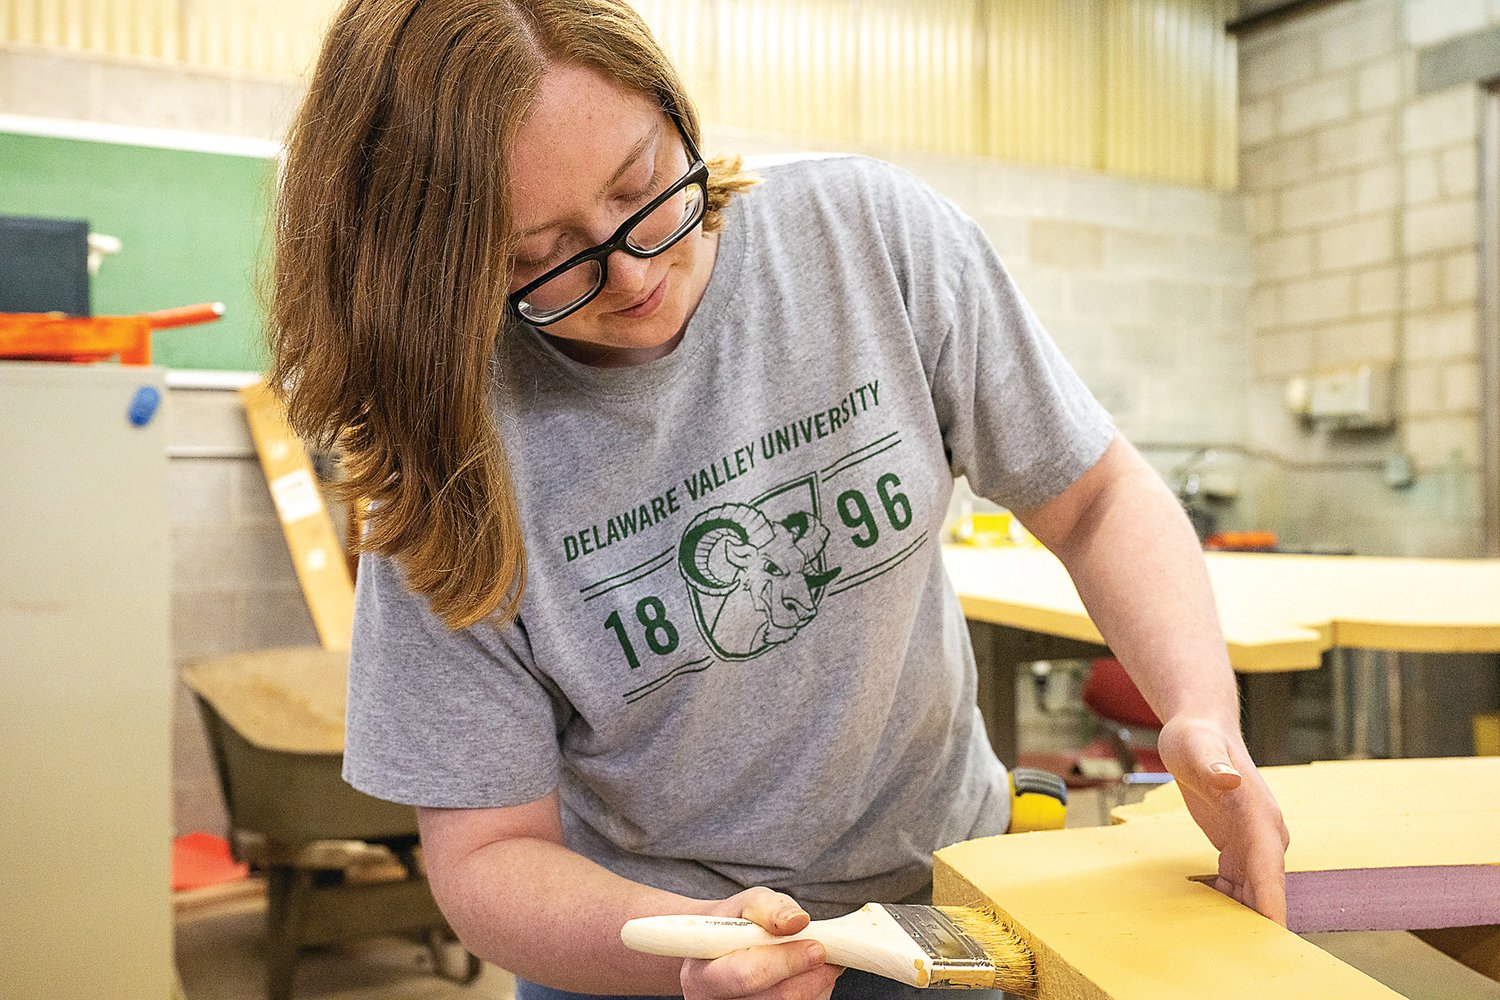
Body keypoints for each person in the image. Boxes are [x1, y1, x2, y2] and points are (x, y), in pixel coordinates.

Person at [267, 2, 1290, 998]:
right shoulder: (446, 445)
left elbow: (1094, 494)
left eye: (643, 188)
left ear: (674, 112)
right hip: (647, 951)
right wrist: (689, 950)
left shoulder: (871, 241)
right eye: (539, 261)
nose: (630, 275)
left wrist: (1200, 710)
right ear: (451, 279)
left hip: (949, 905)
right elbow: (488, 855)